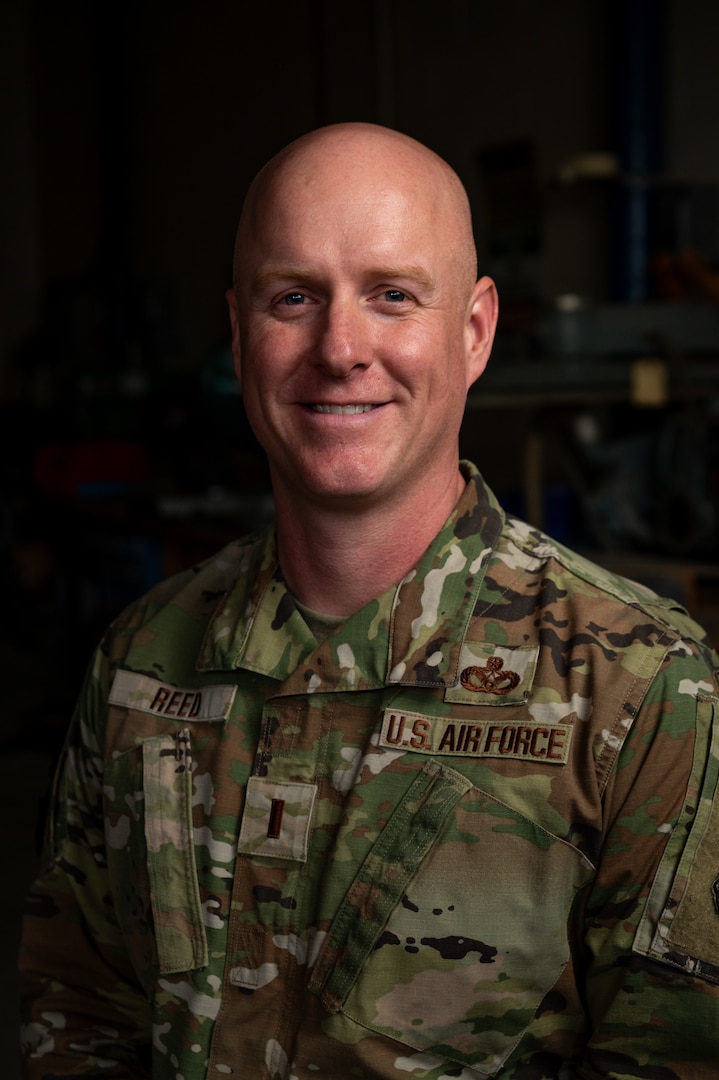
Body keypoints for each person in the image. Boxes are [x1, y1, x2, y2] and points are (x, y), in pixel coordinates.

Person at [18, 122, 719, 1080]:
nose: (339, 348)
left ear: (472, 332)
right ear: (237, 334)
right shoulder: (143, 659)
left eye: (391, 295)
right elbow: (77, 1005)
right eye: (294, 297)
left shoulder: (640, 686)